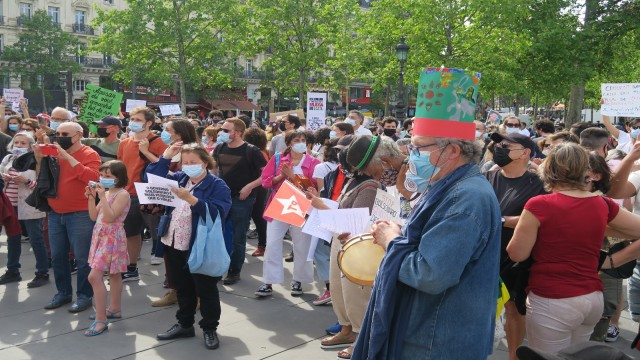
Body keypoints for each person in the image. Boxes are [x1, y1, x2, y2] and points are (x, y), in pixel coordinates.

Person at [354, 69, 501, 359]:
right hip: (430, 332)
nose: (411, 154)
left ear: (452, 151)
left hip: (436, 340)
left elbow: (431, 275)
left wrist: (391, 240)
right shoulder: (449, 186)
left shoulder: (465, 197)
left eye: (419, 147)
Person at [507, 142, 640, 352]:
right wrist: (611, 257)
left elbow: (517, 253)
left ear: (549, 169)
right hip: (591, 298)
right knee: (576, 356)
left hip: (552, 297)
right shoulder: (602, 204)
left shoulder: (539, 204)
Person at [148, 143, 232, 350]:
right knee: (182, 286)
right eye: (185, 162)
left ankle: (209, 328)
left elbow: (218, 214)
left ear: (205, 162)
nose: (189, 166)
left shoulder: (217, 185)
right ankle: (185, 324)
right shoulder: (180, 179)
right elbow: (152, 179)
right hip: (173, 240)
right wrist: (166, 157)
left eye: (193, 162)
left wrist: (193, 200)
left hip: (199, 244)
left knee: (206, 289)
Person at [485, 132, 546, 360]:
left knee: (513, 308)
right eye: (499, 144)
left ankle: (513, 356)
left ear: (525, 153)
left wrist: (502, 220)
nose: (500, 147)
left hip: (516, 259)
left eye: (507, 145)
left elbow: (542, 216)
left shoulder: (538, 183)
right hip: (485, 255)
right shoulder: (486, 177)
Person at [37, 121, 101, 312]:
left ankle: (84, 296)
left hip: (80, 214)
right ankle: (63, 293)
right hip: (55, 213)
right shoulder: (53, 153)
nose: (60, 136)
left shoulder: (90, 154)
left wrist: (68, 157)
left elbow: (93, 178)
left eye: (65, 133)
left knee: (82, 258)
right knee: (57, 257)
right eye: (58, 133)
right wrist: (39, 158)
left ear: (79, 135)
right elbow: (42, 178)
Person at [255, 131, 320, 297]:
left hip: (303, 207)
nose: (300, 143)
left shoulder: (314, 162)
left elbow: (314, 190)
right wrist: (281, 177)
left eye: (303, 140)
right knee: (272, 244)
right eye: (297, 140)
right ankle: (268, 281)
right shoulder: (278, 159)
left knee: (301, 246)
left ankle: (298, 280)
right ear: (289, 143)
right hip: (280, 205)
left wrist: (293, 177)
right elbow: (266, 182)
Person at [117, 106, 168, 283]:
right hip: (129, 194)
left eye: (138, 120)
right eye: (132, 119)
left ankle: (171, 276)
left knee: (159, 234)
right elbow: (121, 168)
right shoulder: (124, 143)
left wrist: (146, 151)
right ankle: (132, 268)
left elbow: (166, 168)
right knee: (131, 233)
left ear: (148, 123)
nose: (133, 123)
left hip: (150, 194)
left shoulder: (158, 142)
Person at [213, 118, 267, 285]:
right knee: (219, 234)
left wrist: (249, 187)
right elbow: (215, 169)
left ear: (238, 133)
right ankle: (219, 267)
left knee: (238, 235)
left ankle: (234, 271)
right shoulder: (220, 147)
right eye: (221, 129)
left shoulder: (252, 151)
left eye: (226, 130)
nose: (221, 132)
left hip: (242, 199)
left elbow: (266, 175)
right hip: (222, 198)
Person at [84, 160, 131, 336]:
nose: (103, 179)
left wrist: (102, 197)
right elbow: (93, 216)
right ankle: (115, 309)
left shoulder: (122, 194)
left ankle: (101, 319)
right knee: (113, 273)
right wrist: (91, 198)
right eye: (102, 175)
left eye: (108, 176)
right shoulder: (109, 192)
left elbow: (111, 217)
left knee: (94, 277)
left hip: (112, 237)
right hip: (101, 234)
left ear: (119, 177)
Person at [0, 132, 48, 288]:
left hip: (29, 206)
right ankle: (13, 270)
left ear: (30, 145)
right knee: (12, 239)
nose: (18, 146)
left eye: (23, 143)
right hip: (10, 205)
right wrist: (4, 178)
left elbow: (43, 186)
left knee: (36, 240)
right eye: (17, 142)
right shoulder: (8, 159)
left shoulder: (37, 160)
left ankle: (42, 272)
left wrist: (27, 181)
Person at [243, 127, 269, 257]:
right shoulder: (260, 151)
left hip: (258, 188)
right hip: (255, 187)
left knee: (258, 217)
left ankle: (263, 245)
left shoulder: (258, 152)